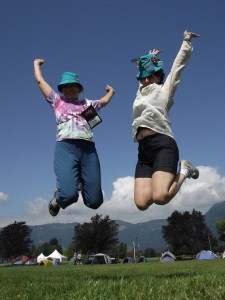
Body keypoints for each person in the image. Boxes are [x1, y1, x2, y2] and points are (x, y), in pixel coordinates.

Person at [34, 59, 115, 216]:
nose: (69, 89)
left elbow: (104, 101)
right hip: (65, 147)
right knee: (69, 195)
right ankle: (58, 198)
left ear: (79, 88)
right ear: (61, 89)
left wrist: (111, 91)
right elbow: (40, 81)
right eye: (65, 86)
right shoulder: (56, 101)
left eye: (72, 86)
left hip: (88, 150)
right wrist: (36, 64)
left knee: (94, 202)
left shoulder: (87, 104)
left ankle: (79, 181)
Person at [132, 30, 200, 211]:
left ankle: (185, 170)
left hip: (162, 143)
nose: (146, 80)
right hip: (143, 150)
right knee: (141, 203)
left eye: (151, 77)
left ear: (159, 78)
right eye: (143, 78)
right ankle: (176, 172)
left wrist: (186, 41)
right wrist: (148, 58)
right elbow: (142, 75)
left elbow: (178, 66)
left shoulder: (164, 90)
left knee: (161, 197)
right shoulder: (140, 93)